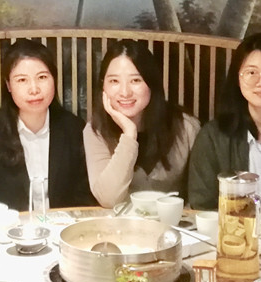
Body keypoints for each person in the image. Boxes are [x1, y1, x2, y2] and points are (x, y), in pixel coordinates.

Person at [187, 33, 261, 226]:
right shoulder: (213, 136)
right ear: (237, 77)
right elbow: (202, 205)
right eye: (252, 73)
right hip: (230, 237)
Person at [0, 38, 95, 210]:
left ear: (54, 79)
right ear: (8, 85)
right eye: (22, 80)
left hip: (64, 225)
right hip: (8, 226)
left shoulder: (74, 129)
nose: (34, 89)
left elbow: (85, 196)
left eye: (42, 77)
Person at [84, 39, 201, 207]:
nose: (125, 92)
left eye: (135, 80)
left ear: (151, 83)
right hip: (120, 223)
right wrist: (129, 135)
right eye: (114, 81)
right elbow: (108, 199)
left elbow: (200, 199)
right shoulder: (96, 131)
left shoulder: (186, 127)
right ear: (103, 87)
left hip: (174, 222)